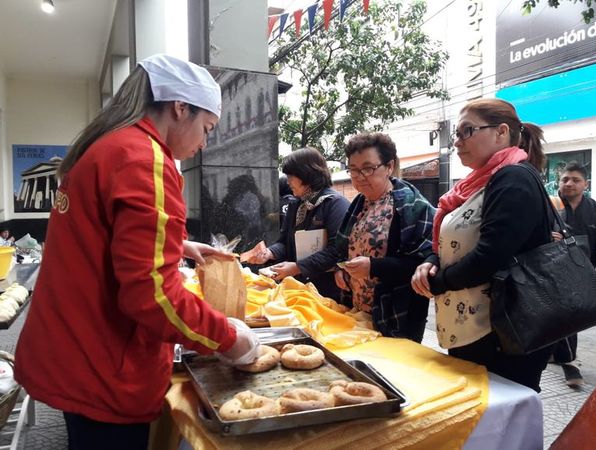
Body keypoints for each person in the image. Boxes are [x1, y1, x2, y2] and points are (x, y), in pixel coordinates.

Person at [14, 54, 259, 450]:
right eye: (207, 128)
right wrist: (229, 338)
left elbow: (98, 239)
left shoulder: (107, 147)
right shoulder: (145, 160)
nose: (204, 143)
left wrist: (177, 244)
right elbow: (152, 295)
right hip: (102, 363)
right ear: (180, 108)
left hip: (71, 350)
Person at [411, 98, 554, 392]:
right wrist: (431, 260)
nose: (458, 142)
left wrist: (438, 283)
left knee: (503, 422)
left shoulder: (514, 178)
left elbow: (491, 255)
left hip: (505, 333)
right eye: (457, 134)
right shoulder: (476, 183)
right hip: (473, 329)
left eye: (467, 131)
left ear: (501, 132)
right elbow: (454, 240)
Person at [334, 133, 435, 342]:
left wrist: (374, 267)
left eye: (368, 168)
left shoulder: (411, 205)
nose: (360, 176)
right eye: (353, 169)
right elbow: (344, 248)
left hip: (395, 315)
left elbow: (423, 263)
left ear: (389, 167)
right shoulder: (358, 204)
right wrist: (340, 270)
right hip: (358, 311)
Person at [247, 147, 349, 301]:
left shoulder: (335, 204)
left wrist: (297, 267)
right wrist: (269, 253)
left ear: (306, 174)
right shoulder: (296, 204)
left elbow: (337, 250)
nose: (288, 182)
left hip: (326, 292)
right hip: (298, 289)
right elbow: (285, 242)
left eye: (291, 176)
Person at [549, 161, 596, 387]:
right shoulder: (548, 207)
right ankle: (567, 360)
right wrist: (547, 238)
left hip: (583, 272)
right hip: (551, 271)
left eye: (575, 180)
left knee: (571, 316)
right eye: (565, 179)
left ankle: (562, 356)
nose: (569, 184)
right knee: (562, 315)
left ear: (585, 184)